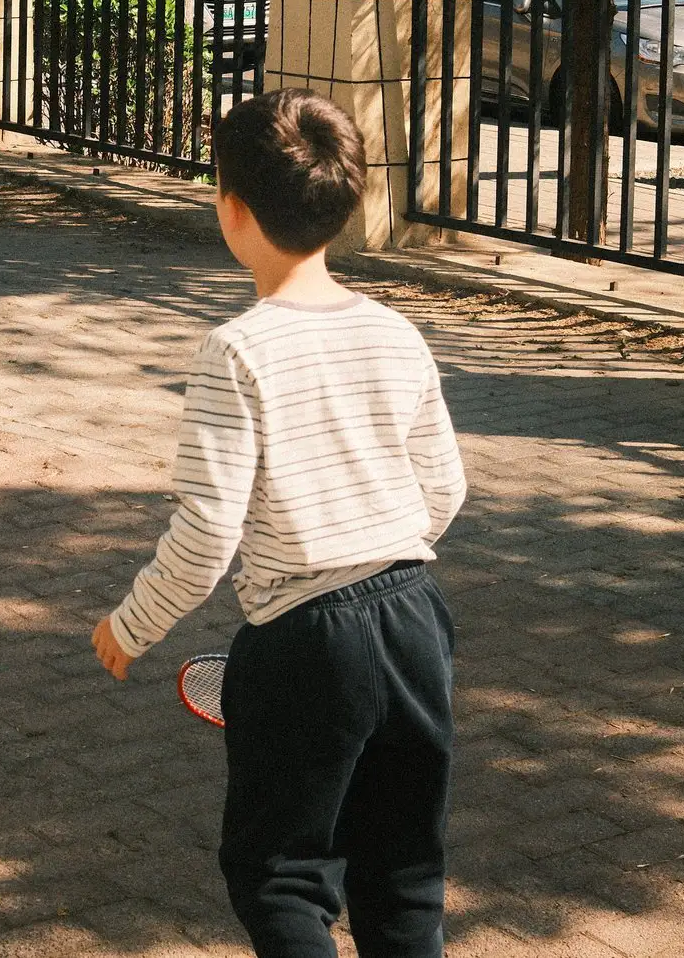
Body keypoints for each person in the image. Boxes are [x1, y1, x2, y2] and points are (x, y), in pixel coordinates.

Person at [91, 88, 468, 958]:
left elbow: (207, 534)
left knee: (280, 874)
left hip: (306, 641)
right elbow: (443, 488)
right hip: (416, 619)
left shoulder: (237, 349)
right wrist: (378, 550)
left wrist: (130, 625)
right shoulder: (396, 333)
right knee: (405, 876)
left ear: (231, 206)